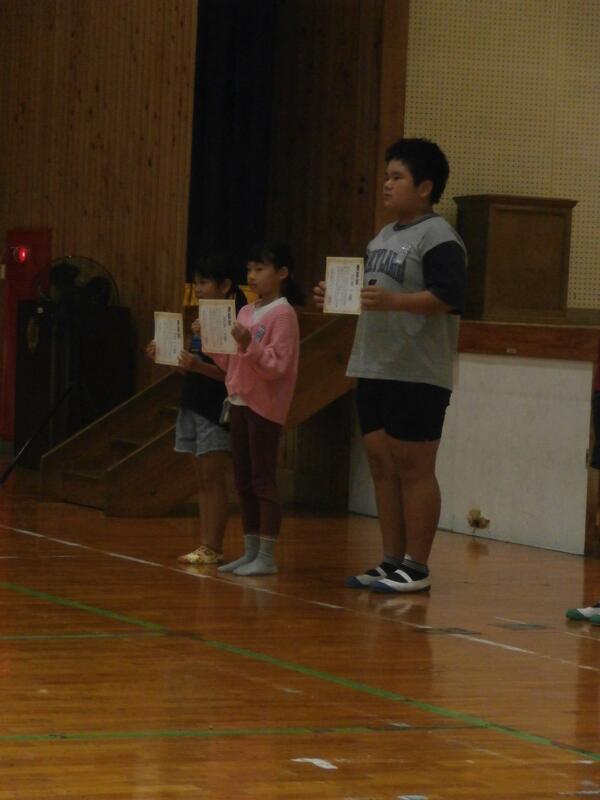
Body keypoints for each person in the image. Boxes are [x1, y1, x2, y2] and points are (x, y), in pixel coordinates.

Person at [314, 137, 467, 593]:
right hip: (374, 364)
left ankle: (416, 567)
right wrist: (335, 297)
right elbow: (370, 297)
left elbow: (449, 297)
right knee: (382, 466)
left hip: (416, 369)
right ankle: (391, 560)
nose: (386, 184)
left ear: (424, 186)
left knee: (414, 468)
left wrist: (395, 301)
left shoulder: (439, 237)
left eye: (397, 177)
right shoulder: (381, 237)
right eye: (386, 176)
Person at [202, 241, 304, 576]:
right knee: (243, 482)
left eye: (260, 269)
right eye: (249, 269)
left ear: (282, 273)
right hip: (239, 402)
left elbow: (276, 366)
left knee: (262, 480)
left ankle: (267, 556)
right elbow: (232, 361)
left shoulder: (283, 314)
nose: (253, 275)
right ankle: (251, 552)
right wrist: (212, 341)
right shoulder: (246, 311)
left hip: (265, 407)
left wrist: (249, 344)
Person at [146, 252, 246, 565]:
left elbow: (233, 372)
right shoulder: (201, 319)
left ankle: (213, 546)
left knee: (213, 476)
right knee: (202, 477)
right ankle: (206, 544)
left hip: (216, 406)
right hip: (193, 400)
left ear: (225, 285)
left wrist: (197, 366)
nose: (199, 289)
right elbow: (193, 366)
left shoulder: (234, 321)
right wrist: (168, 356)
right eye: (197, 283)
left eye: (205, 282)